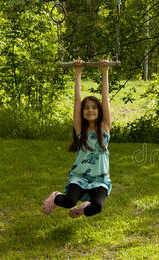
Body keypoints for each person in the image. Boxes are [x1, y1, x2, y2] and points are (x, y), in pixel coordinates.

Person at [43, 59, 113, 218]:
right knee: (68, 201)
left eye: (94, 107)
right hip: (79, 177)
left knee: (96, 207)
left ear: (99, 110)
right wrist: (77, 73)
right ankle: (55, 197)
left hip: (100, 179)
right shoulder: (80, 130)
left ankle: (82, 209)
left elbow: (106, 98)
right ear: (82, 111)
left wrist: (105, 72)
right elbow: (76, 100)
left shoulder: (105, 128)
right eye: (86, 108)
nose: (90, 110)